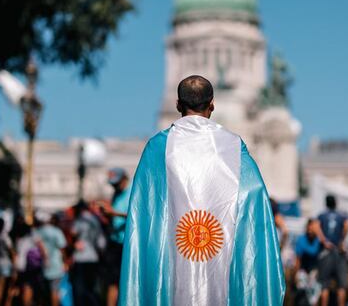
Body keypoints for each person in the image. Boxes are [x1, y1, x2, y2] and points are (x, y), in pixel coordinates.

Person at [119, 75, 285, 305]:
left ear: (178, 104)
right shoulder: (234, 146)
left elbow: (144, 213)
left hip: (172, 269)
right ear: (212, 104)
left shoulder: (157, 147)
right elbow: (254, 197)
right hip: (222, 266)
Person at [99, 167, 130, 306]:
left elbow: (139, 216)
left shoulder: (133, 192)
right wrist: (107, 215)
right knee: (112, 281)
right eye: (112, 184)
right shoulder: (116, 194)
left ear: (124, 179)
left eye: (116, 183)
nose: (114, 186)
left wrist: (114, 213)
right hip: (115, 242)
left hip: (127, 243)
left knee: (126, 280)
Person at [315, 194, 348, 306]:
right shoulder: (341, 215)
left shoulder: (322, 215)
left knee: (324, 285)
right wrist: (342, 239)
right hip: (338, 252)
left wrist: (324, 241)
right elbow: (347, 226)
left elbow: (316, 227)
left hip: (326, 252)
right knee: (341, 286)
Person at [70, 200, 106, 306]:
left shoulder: (80, 220)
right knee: (91, 286)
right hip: (93, 257)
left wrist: (74, 243)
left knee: (80, 287)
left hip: (81, 257)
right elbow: (101, 243)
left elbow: (73, 233)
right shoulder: (95, 220)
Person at [35, 212, 67, 306]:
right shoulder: (56, 231)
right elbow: (62, 248)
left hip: (41, 264)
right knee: (55, 290)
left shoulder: (38, 231)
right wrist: (65, 262)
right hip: (56, 264)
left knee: (42, 291)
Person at [295, 219, 322, 306]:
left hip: (314, 270)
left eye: (313, 229)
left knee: (313, 298)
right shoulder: (301, 239)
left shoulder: (319, 240)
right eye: (309, 228)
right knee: (301, 293)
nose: (310, 231)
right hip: (303, 269)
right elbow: (298, 259)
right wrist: (296, 273)